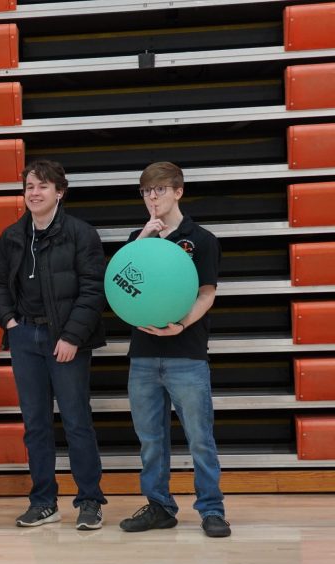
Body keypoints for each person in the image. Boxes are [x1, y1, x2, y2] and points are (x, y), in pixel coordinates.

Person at [0, 160, 107, 531]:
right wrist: (10, 322)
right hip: (25, 337)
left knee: (76, 423)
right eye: (29, 186)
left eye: (42, 186)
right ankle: (43, 502)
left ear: (60, 192)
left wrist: (72, 337)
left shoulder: (81, 234)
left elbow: (93, 289)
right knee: (35, 425)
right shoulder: (12, 235)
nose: (34, 193)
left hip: (66, 340)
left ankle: (90, 501)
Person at [119, 162, 231, 538]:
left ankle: (211, 509)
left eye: (160, 190)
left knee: (200, 438)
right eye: (146, 191)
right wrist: (143, 238)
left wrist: (181, 325)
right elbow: (120, 281)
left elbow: (206, 293)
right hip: (143, 355)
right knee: (151, 440)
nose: (152, 197)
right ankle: (159, 507)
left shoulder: (201, 239)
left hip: (186, 354)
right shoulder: (138, 237)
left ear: (178, 192)